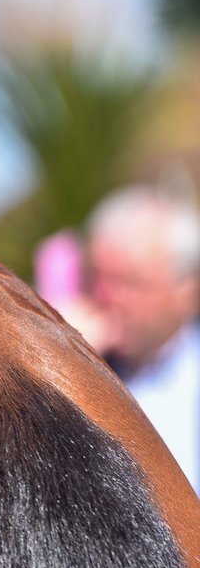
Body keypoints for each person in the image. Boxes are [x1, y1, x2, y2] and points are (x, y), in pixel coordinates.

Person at [85, 185, 200, 492]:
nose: (107, 295)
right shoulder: (89, 371)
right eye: (98, 275)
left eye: (130, 281)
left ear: (186, 291)